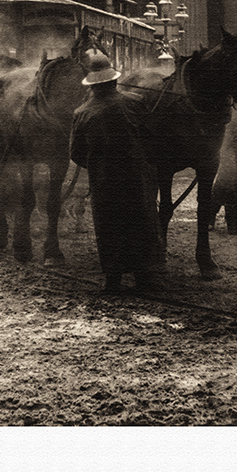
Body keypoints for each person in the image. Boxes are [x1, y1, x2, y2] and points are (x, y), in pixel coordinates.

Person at [69, 53, 164, 295]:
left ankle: (113, 278)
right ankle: (146, 276)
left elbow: (76, 154)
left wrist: (99, 165)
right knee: (141, 221)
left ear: (92, 85)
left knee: (109, 224)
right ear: (113, 81)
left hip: (104, 180)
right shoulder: (134, 103)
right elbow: (153, 139)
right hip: (137, 176)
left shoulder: (82, 113)